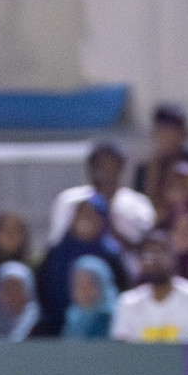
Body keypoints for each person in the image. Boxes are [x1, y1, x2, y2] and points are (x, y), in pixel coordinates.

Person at [35, 195, 130, 336]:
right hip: (58, 326)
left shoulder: (112, 254)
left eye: (92, 214)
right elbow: (43, 289)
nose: (86, 219)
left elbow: (123, 289)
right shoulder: (56, 253)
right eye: (81, 213)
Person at [47, 141, 156, 258]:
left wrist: (106, 220)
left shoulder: (138, 203)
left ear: (121, 166)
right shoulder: (69, 201)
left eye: (109, 165)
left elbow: (142, 247)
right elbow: (56, 243)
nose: (103, 171)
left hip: (124, 270)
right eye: (97, 164)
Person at [111, 231, 188, 343]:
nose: (155, 260)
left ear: (173, 257)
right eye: (148, 255)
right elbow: (121, 350)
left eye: (161, 253)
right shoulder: (129, 303)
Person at [135, 103, 188, 206]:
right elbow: (141, 206)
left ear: (186, 133)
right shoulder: (145, 169)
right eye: (163, 133)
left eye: (173, 133)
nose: (168, 139)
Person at [62, 256, 119, 340]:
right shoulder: (73, 317)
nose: (84, 291)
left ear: (103, 284)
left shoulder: (115, 318)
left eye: (90, 284)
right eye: (79, 285)